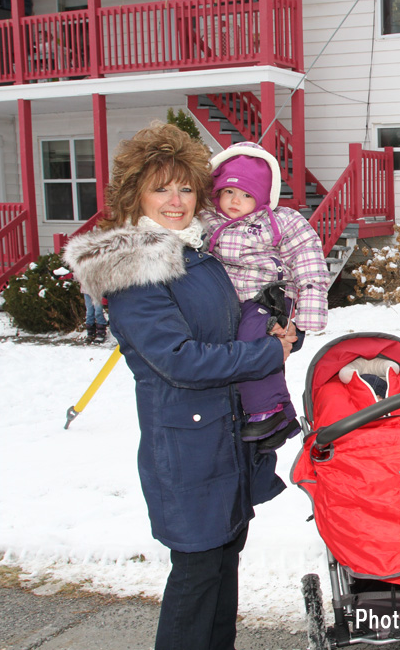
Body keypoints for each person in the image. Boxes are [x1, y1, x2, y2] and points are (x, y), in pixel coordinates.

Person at [62, 123, 300, 650]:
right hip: (188, 449)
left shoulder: (197, 253)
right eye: (161, 188)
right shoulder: (134, 268)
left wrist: (281, 332)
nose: (176, 200)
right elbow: (180, 360)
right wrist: (266, 354)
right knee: (196, 578)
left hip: (227, 437)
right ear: (135, 195)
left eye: (186, 187)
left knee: (223, 566)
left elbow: (233, 323)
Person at [200, 142, 329, 447]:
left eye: (247, 195)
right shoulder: (207, 219)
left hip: (265, 298)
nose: (236, 201)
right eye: (229, 191)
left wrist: (310, 309)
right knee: (229, 349)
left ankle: (268, 411)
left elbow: (308, 259)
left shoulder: (279, 221)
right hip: (227, 301)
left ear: (262, 197)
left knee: (253, 344)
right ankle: (275, 412)